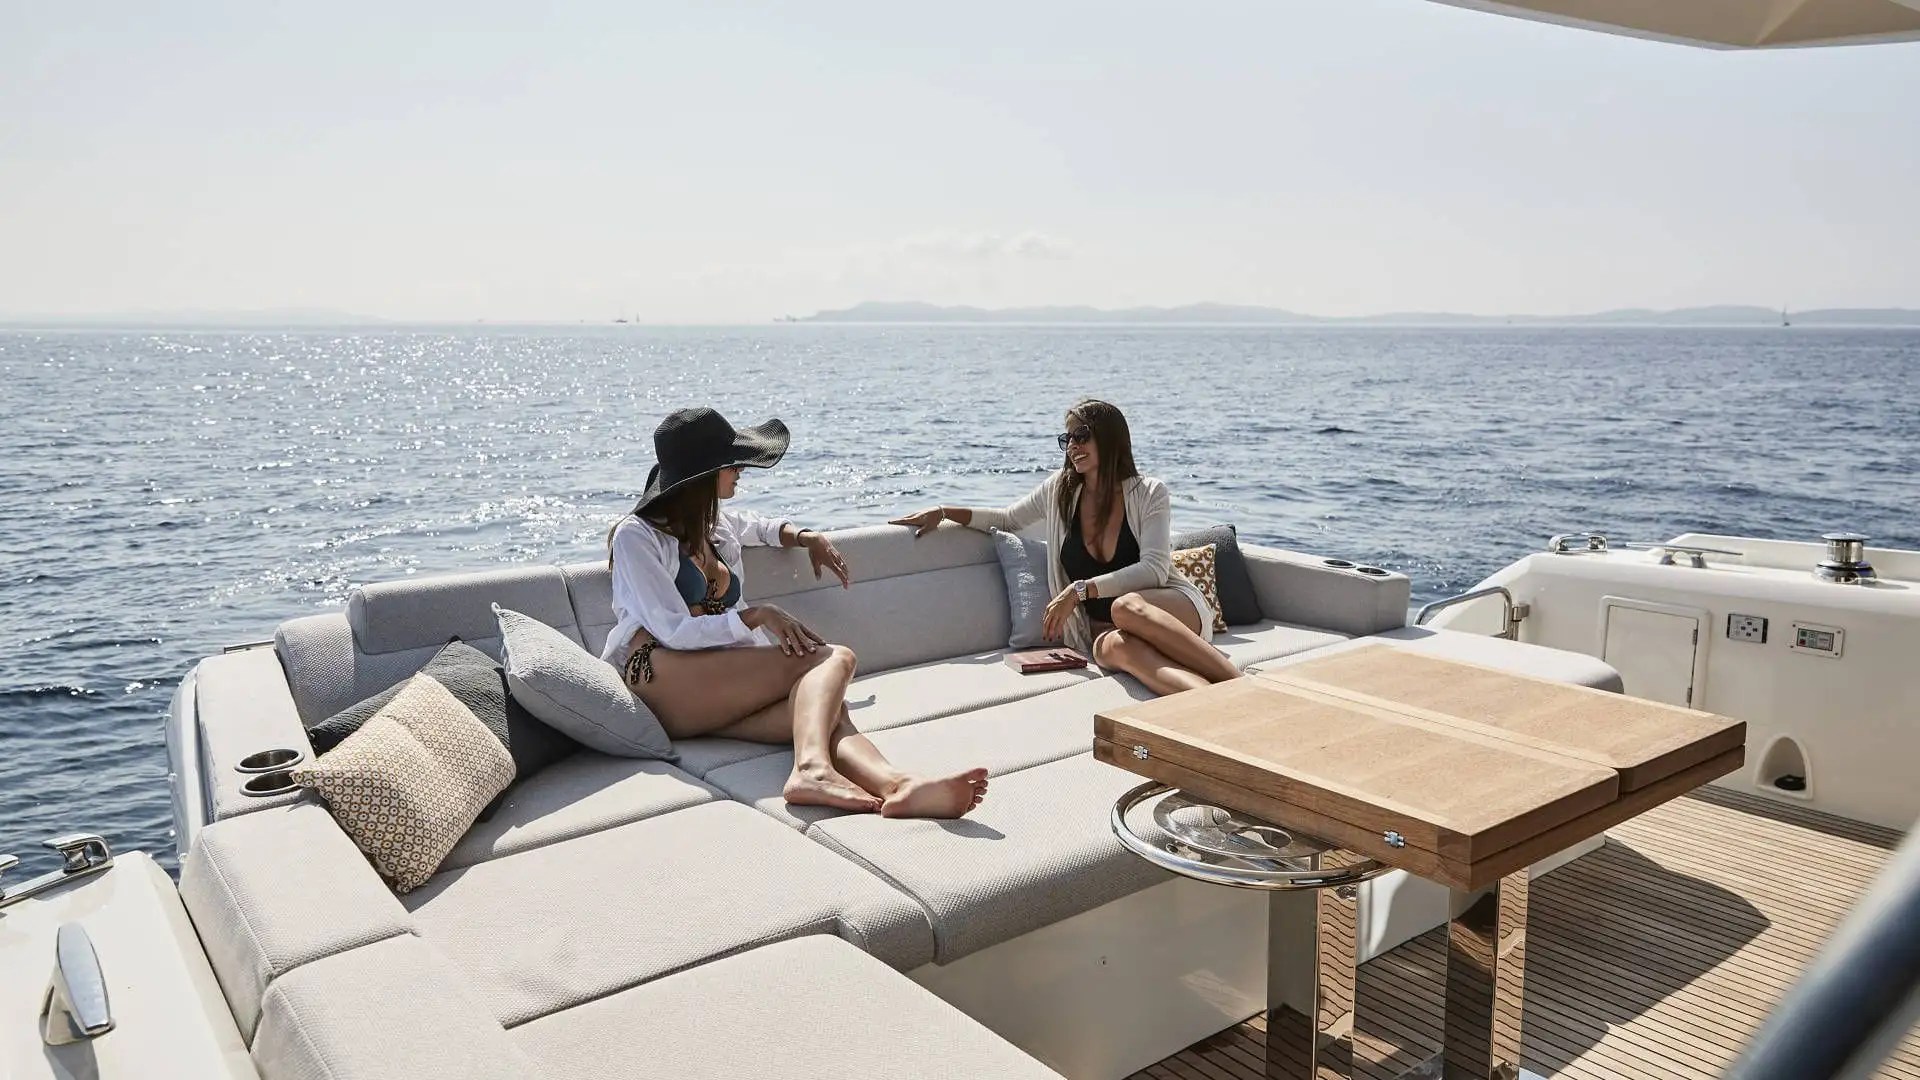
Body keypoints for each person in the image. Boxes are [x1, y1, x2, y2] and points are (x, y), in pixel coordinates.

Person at [606, 406, 987, 818]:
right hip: (661, 678)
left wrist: (807, 537)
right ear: (703, 474)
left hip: (711, 692)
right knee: (834, 658)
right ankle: (811, 770)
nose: (740, 471)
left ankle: (899, 785)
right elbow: (673, 629)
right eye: (732, 463)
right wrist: (757, 615)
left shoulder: (714, 525)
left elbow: (761, 527)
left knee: (822, 711)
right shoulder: (635, 537)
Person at [890, 399, 1240, 696]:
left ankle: (1238, 683)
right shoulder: (1060, 490)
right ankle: (1210, 701)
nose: (1072, 445)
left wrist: (1080, 590)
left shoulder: (1148, 492)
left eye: (1081, 435)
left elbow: (1154, 569)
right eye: (1066, 438)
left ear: (1109, 438)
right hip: (1099, 630)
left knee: (1126, 606)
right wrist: (944, 511)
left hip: (1168, 609)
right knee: (1116, 648)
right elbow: (1009, 519)